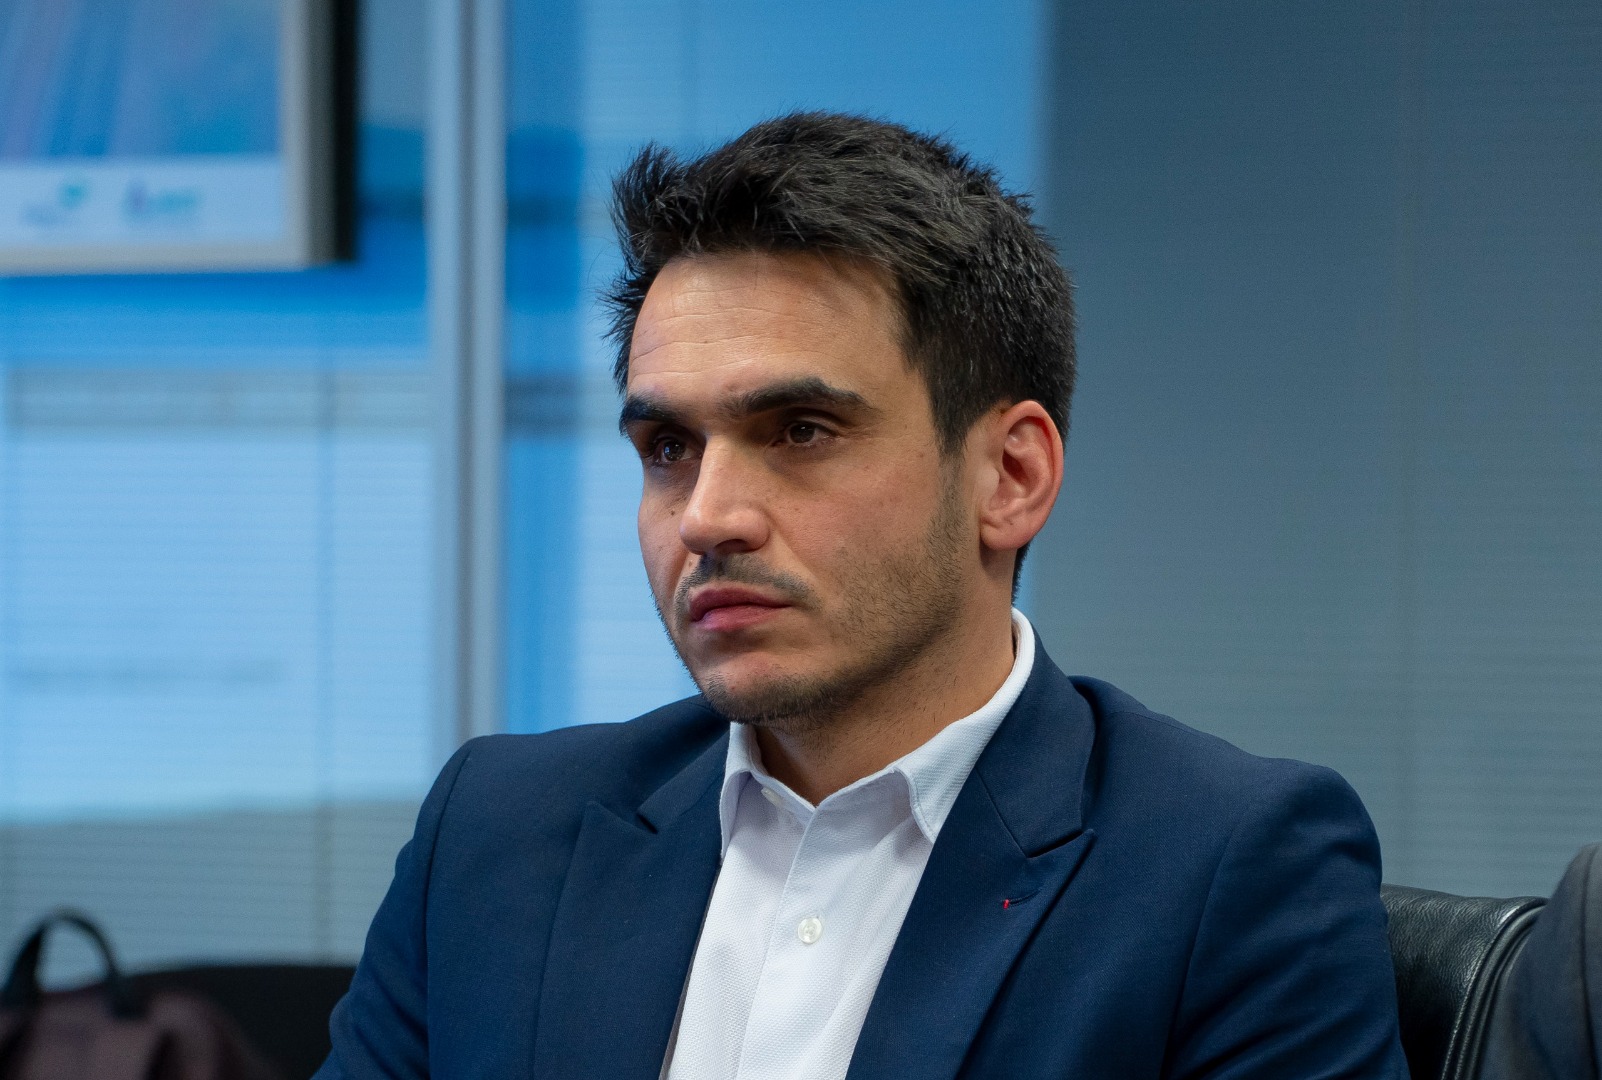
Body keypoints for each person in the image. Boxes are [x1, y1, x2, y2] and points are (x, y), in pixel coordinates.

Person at [316, 112, 1406, 1079]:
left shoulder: (1229, 867)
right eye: (669, 447)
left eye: (801, 432)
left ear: (1010, 477)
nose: (707, 517)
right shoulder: (499, 834)